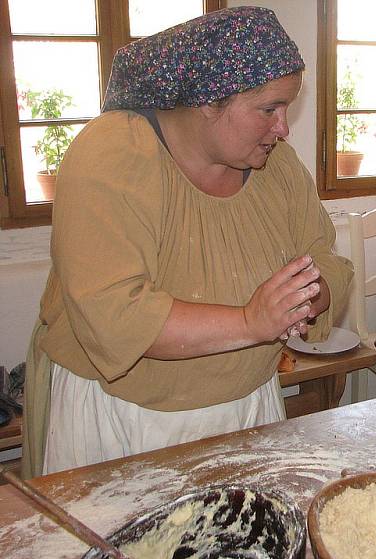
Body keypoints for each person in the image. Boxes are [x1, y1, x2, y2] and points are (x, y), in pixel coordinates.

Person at [21, 7, 353, 478]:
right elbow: (116, 315)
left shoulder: (276, 166)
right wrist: (251, 321)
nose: (283, 128)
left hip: (245, 412)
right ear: (209, 101)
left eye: (286, 108)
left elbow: (326, 259)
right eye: (269, 108)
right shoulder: (114, 155)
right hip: (123, 423)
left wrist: (306, 298)